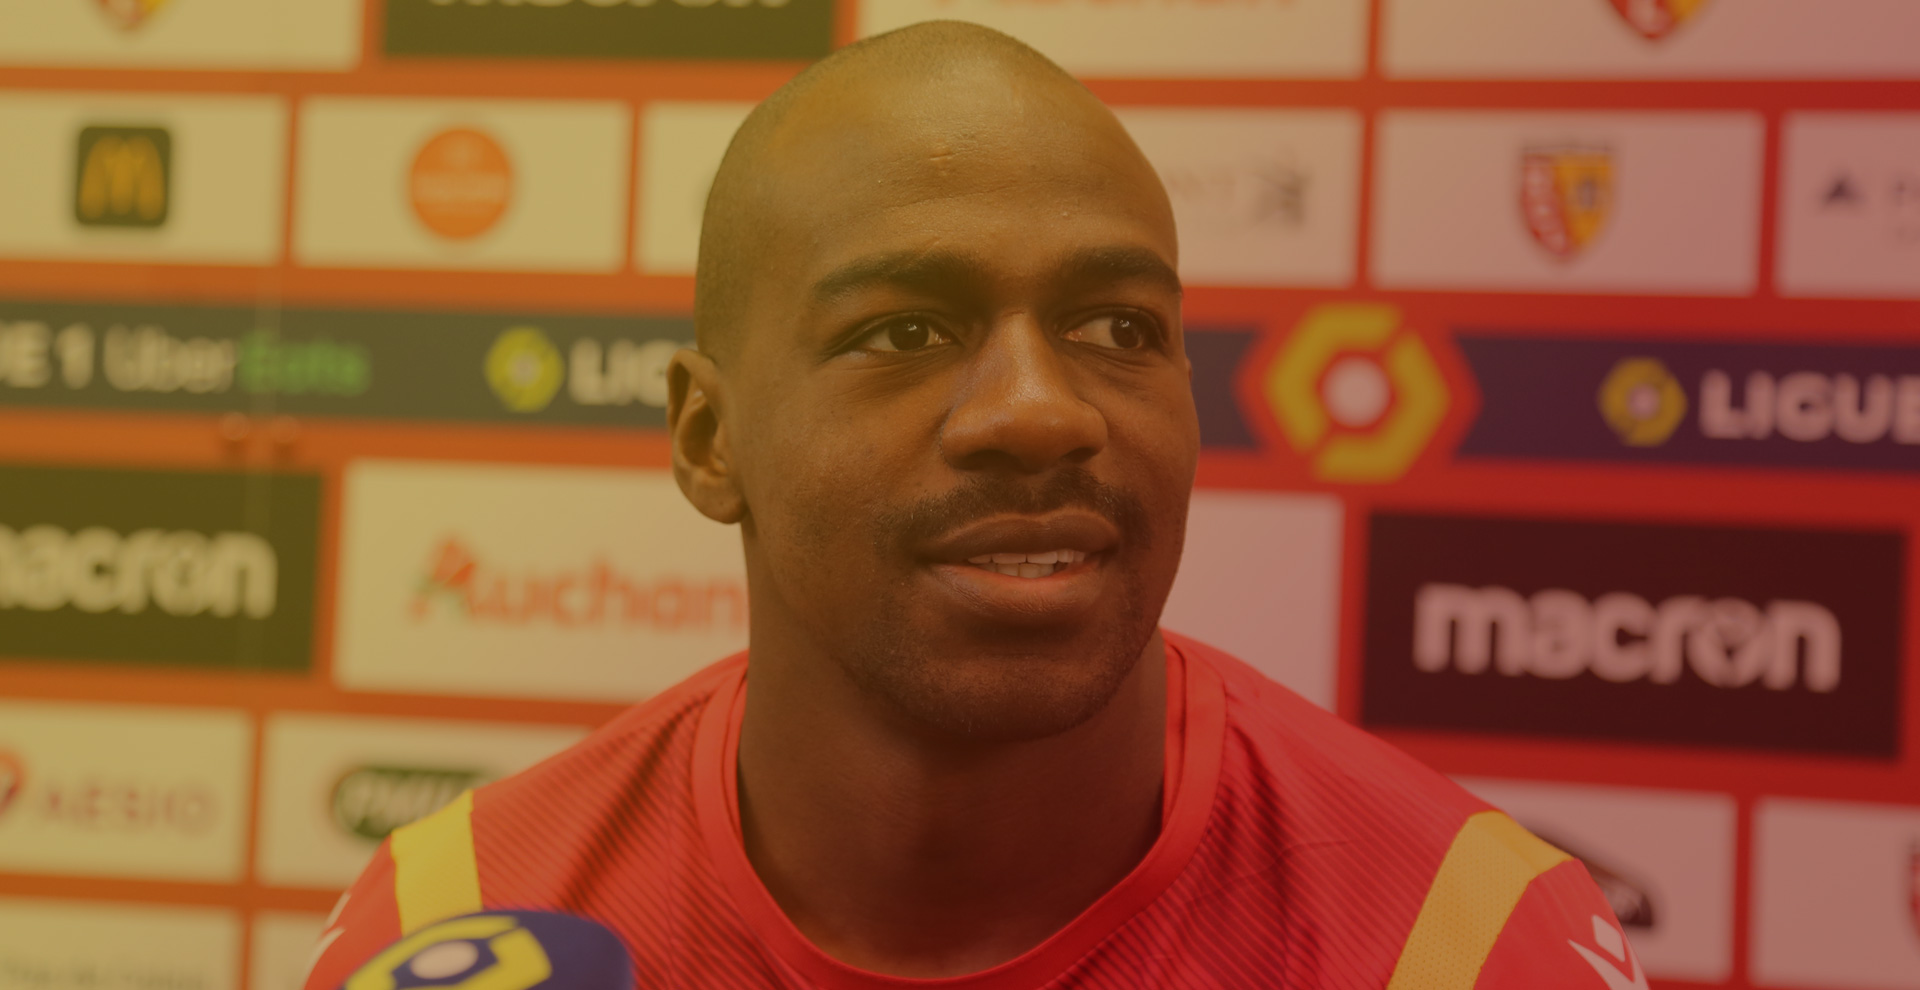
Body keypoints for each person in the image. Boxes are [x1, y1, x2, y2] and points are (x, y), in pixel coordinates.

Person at [307, 22, 1637, 990]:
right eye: (906, 330)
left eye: (1117, 325)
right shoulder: (457, 925)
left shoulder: (1461, 941)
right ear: (709, 438)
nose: (1040, 412)